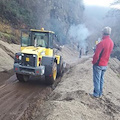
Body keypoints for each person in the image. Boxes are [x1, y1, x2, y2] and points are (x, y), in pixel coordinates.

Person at [91, 26, 114, 98]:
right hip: (105, 64)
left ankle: (96, 94)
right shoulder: (111, 42)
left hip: (99, 64)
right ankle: (100, 93)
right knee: (101, 79)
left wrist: (94, 62)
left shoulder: (102, 43)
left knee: (97, 79)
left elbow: (96, 55)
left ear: (103, 33)